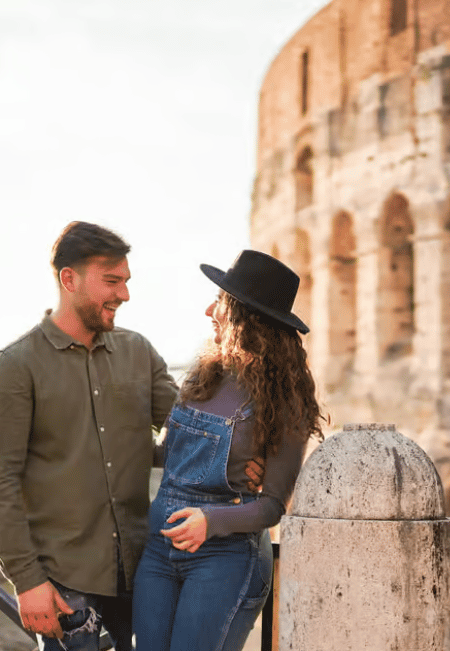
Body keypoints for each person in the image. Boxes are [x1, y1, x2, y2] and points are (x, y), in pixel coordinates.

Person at [0, 221, 179, 651]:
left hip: (144, 575)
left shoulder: (138, 352)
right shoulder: (13, 367)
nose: (124, 294)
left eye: (125, 281)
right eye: (111, 281)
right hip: (66, 588)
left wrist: (245, 457)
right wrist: (26, 580)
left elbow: (190, 429)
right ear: (69, 279)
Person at [133, 249, 326, 651]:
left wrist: (211, 520)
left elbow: (272, 506)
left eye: (220, 303)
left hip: (222, 556)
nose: (208, 310)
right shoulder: (202, 377)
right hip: (158, 546)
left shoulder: (285, 401)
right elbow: (169, 458)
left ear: (245, 318)